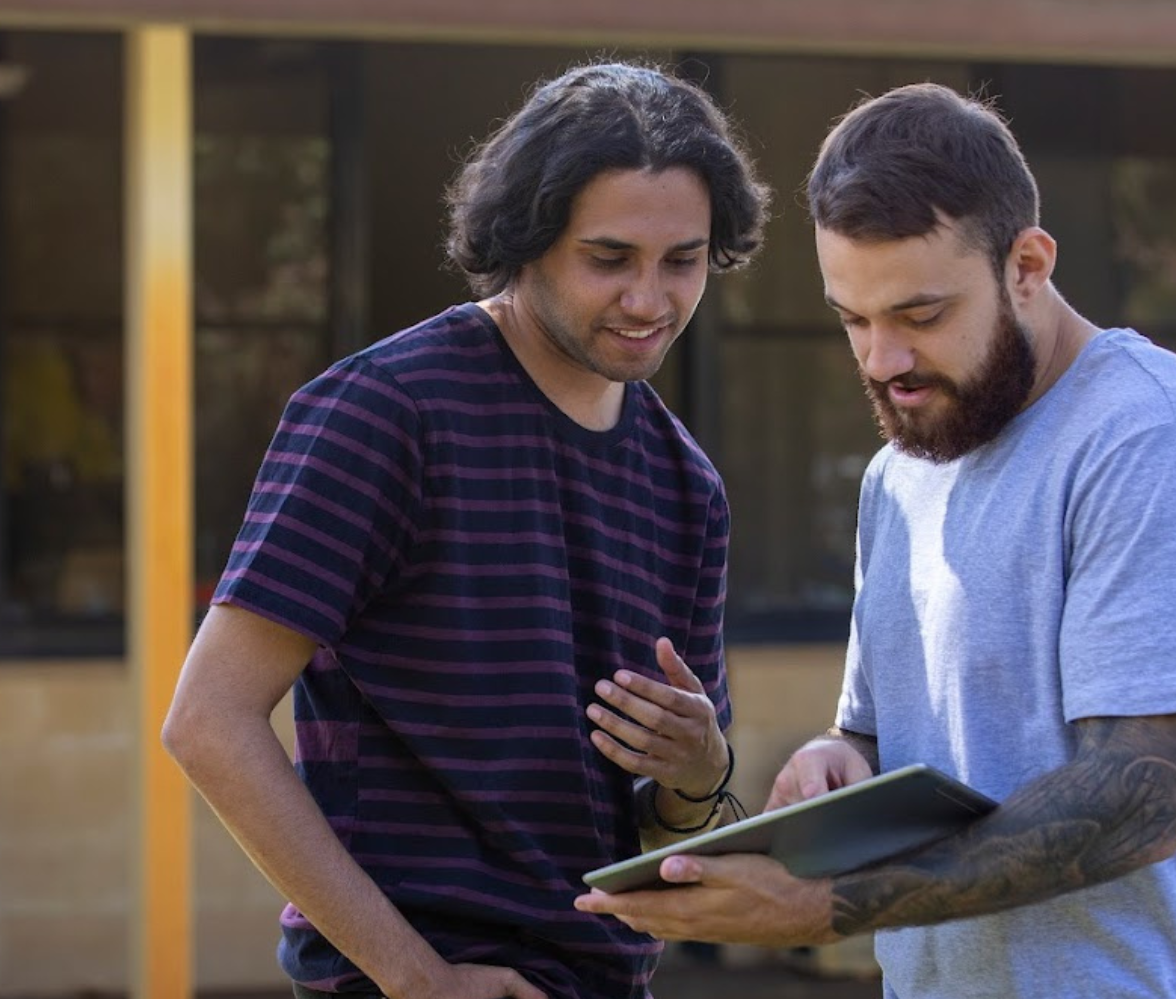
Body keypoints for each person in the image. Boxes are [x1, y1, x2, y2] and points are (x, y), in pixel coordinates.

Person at [576, 82, 1176, 998]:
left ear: (1026, 264)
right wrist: (839, 762)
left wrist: (822, 904)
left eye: (919, 315)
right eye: (853, 319)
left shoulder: (1150, 440)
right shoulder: (901, 469)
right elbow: (879, 736)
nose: (881, 360)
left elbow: (1135, 800)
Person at [163, 62, 771, 999]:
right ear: (525, 241)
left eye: (680, 260)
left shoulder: (687, 484)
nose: (649, 299)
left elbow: (672, 831)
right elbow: (207, 720)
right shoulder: (386, 411)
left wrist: (701, 769)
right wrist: (418, 977)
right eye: (608, 258)